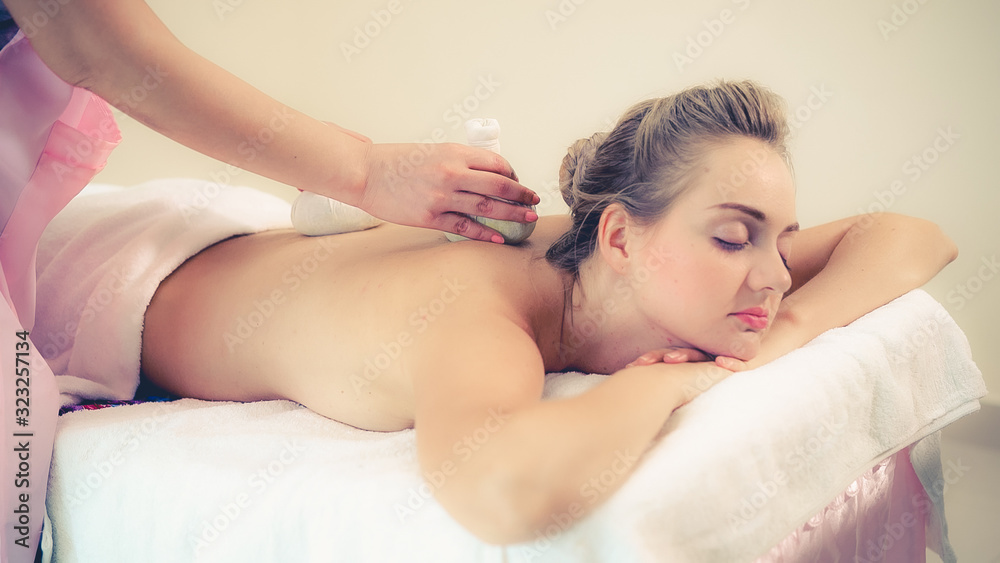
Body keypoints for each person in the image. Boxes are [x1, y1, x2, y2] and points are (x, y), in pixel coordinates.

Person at [131, 80, 958, 544]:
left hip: (240, 235)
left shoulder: (619, 259)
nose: (775, 275)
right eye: (735, 236)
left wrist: (788, 335)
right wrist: (658, 388)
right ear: (622, 236)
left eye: (783, 242)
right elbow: (499, 492)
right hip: (119, 275)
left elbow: (911, 236)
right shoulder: (480, 317)